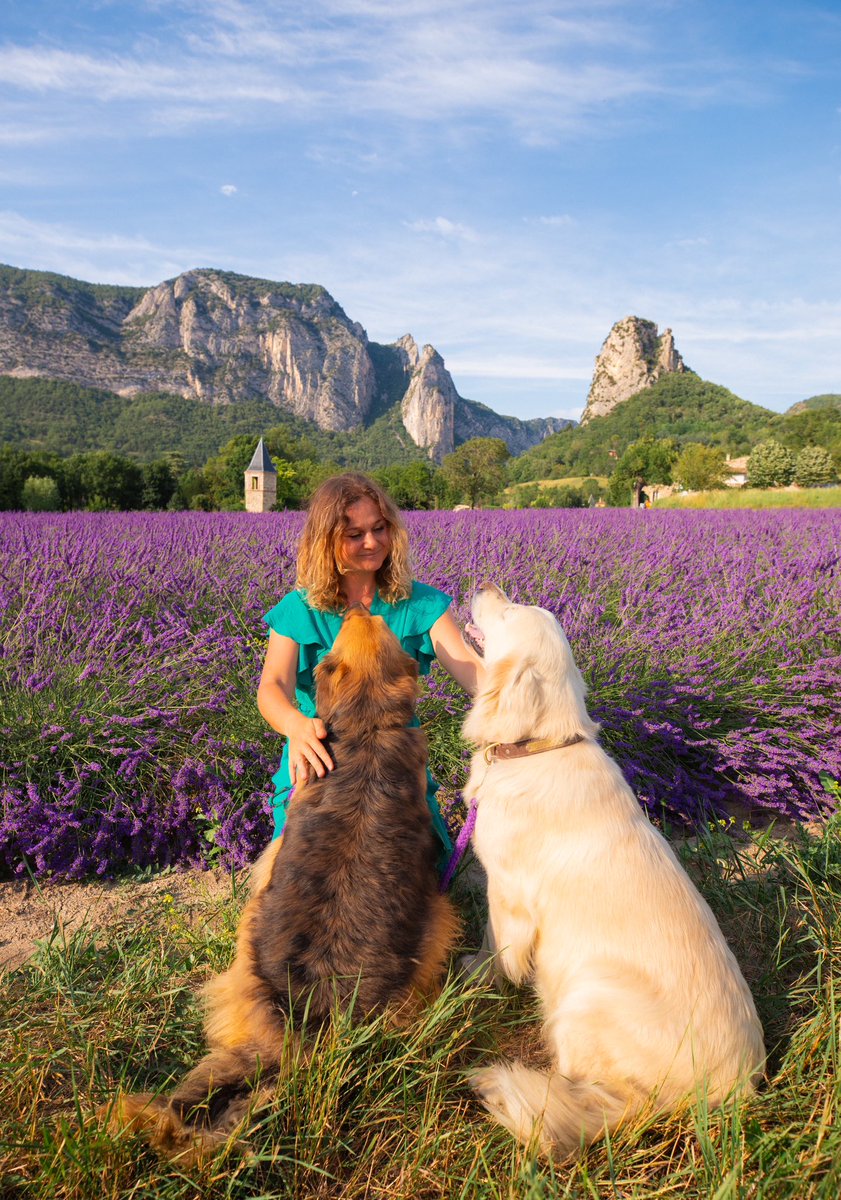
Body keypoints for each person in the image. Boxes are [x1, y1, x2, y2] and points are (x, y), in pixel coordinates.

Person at [257, 472, 484, 858]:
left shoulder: (420, 604)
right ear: (326, 541)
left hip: (392, 770)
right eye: (354, 534)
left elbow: (473, 673)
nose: (372, 542)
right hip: (319, 763)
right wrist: (294, 726)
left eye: (380, 528)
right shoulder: (299, 608)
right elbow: (272, 687)